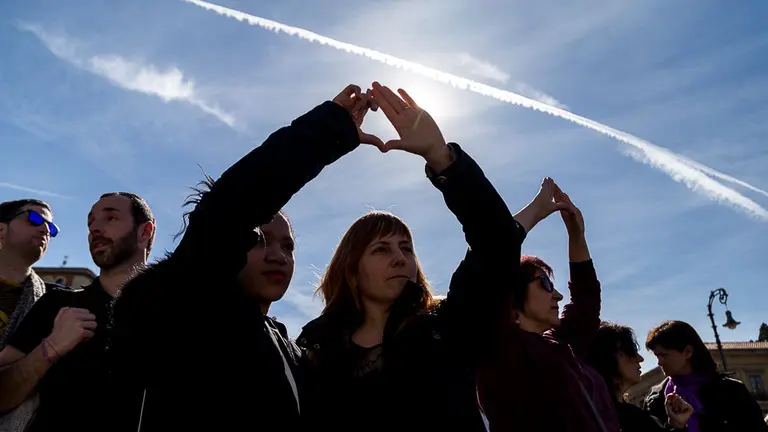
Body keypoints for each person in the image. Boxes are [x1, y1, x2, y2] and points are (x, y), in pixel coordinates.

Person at [109, 84, 383, 432]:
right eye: (260, 240)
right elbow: (229, 207)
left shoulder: (294, 353)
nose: (277, 256)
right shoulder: (186, 311)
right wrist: (327, 130)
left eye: (288, 247)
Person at [296, 82, 558, 431]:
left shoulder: (447, 327)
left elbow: (497, 243)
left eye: (406, 248)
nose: (399, 258)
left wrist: (441, 157)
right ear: (352, 271)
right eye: (381, 249)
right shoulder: (314, 351)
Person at [0, 192, 155, 432]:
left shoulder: (171, 315)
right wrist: (49, 349)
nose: (95, 228)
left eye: (110, 218)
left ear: (145, 232)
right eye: (91, 222)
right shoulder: (57, 304)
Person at [476, 186, 622, 432]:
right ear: (512, 296)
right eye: (544, 283)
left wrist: (576, 235)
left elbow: (585, 302)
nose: (558, 295)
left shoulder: (558, 343)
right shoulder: (502, 349)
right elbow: (492, 261)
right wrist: (535, 211)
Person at [644, 320, 768, 432]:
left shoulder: (731, 391)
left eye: (663, 355)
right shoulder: (655, 399)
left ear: (688, 352)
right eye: (657, 356)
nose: (659, 362)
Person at [586, 322, 694, 431]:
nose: (640, 358)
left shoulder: (629, 414)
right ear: (607, 359)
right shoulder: (608, 419)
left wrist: (678, 425)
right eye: (630, 351)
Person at [0, 199, 59, 352]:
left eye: (52, 228)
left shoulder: (54, 304)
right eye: (35, 219)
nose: (45, 230)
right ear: (1, 230)